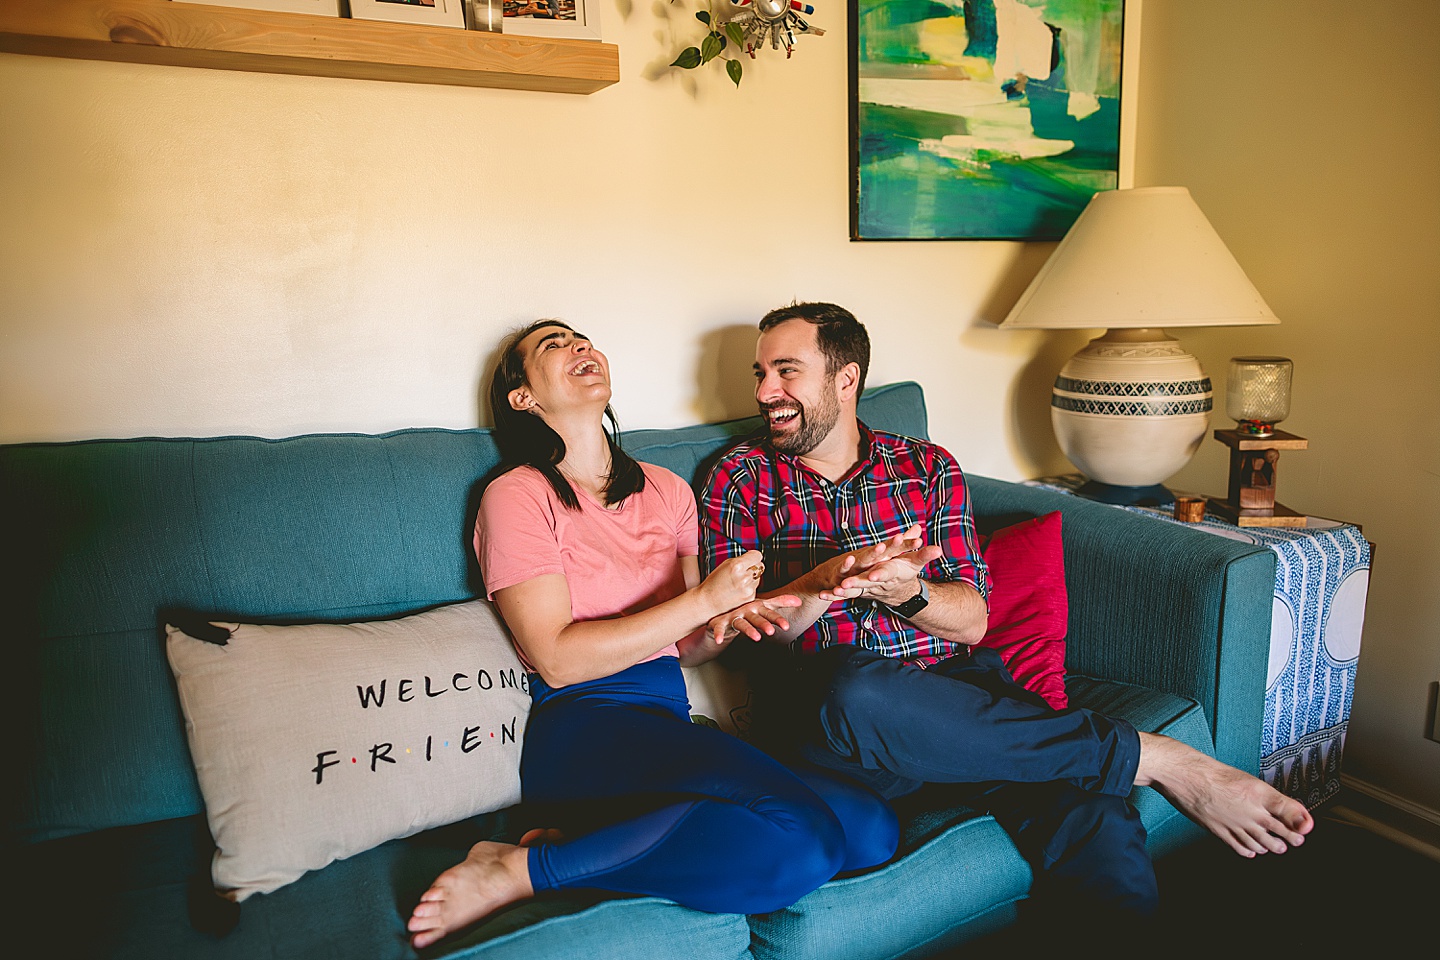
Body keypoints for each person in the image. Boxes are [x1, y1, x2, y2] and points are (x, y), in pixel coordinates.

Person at [698, 301, 1315, 927]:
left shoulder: (923, 466)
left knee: (1091, 810)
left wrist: (907, 593)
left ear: (845, 378)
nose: (765, 390)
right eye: (760, 373)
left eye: (786, 371)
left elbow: (972, 623)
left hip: (955, 698)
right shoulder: (738, 478)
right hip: (830, 721)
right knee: (850, 684)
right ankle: (1154, 758)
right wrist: (825, 581)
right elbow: (741, 638)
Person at [407, 319, 899, 950]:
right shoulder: (516, 496)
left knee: (872, 828)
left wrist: (787, 597)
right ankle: (523, 868)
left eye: (583, 339)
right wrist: (703, 599)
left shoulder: (666, 491)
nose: (580, 348)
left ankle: (594, 841)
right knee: (805, 840)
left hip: (664, 721)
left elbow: (690, 645)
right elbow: (555, 658)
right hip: (585, 729)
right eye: (553, 347)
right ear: (523, 398)